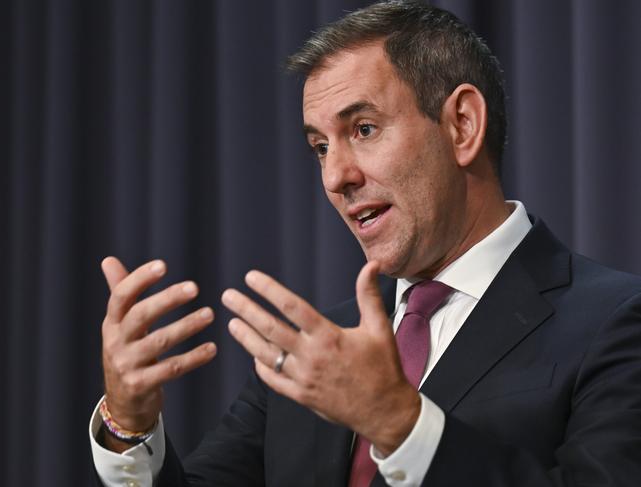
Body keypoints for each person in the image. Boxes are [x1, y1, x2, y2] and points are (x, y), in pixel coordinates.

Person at [89, 1, 641, 486]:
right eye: (320, 147)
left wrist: (400, 425)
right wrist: (127, 426)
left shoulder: (615, 323)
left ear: (463, 125)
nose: (335, 177)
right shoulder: (319, 351)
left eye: (363, 129)